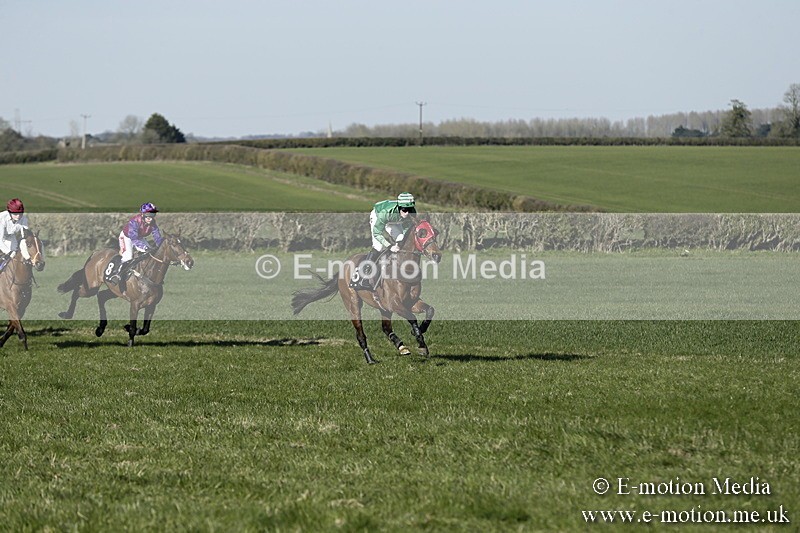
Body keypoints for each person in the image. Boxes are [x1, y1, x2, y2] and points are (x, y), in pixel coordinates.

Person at [351, 192, 417, 291]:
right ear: (399, 207)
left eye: (410, 209)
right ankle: (364, 277)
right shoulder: (386, 213)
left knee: (401, 237)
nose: (407, 213)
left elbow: (406, 229)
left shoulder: (412, 213)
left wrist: (399, 242)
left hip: (394, 220)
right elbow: (377, 233)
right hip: (378, 216)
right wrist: (390, 246)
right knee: (378, 246)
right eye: (404, 209)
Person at [107, 202, 164, 284]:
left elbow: (157, 236)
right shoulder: (135, 221)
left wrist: (161, 246)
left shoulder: (153, 223)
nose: (150, 219)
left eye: (153, 215)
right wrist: (144, 247)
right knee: (128, 257)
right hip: (127, 237)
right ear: (143, 214)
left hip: (139, 237)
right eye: (148, 215)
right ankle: (117, 275)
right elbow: (133, 238)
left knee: (150, 254)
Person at [0, 198, 29, 273]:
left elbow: (25, 237)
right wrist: (8, 252)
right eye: (15, 214)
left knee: (14, 254)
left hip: (9, 237)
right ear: (9, 212)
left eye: (20, 213)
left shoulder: (24, 219)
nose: (18, 216)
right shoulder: (2, 218)